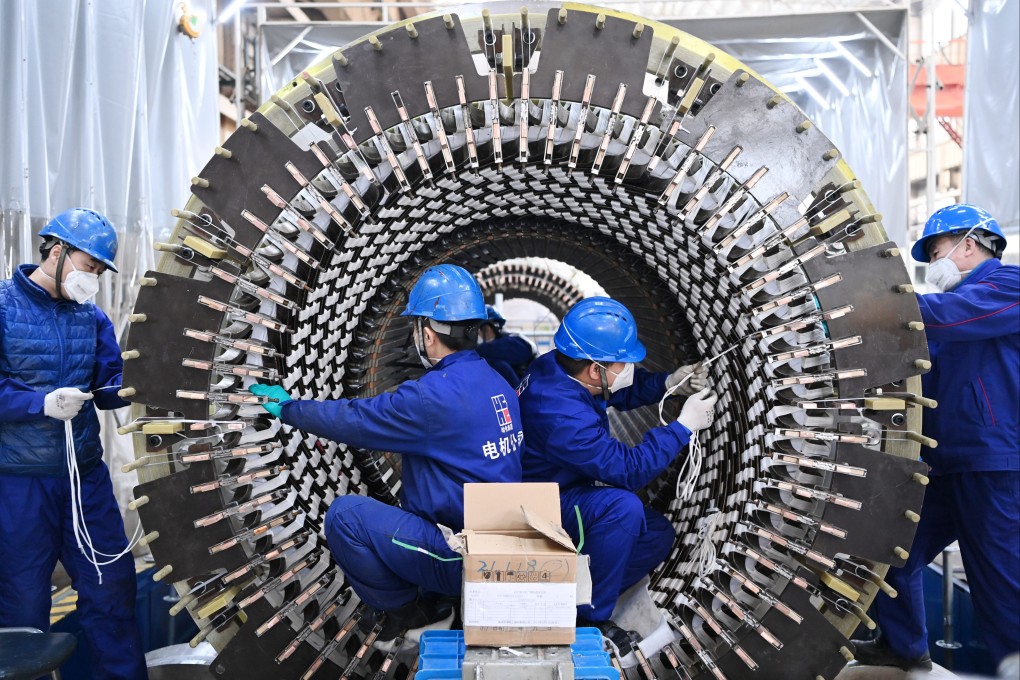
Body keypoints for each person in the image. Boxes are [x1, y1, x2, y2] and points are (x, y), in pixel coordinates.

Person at [250, 264, 524, 640]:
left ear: (427, 334)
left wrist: (290, 409)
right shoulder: (497, 381)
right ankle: (439, 597)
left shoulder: (432, 396)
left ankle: (416, 615)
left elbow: (355, 419)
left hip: (463, 556)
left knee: (346, 517)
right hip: (500, 543)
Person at [853, 204, 1019, 673]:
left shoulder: (1007, 286)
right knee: (892, 547)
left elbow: (952, 316)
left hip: (993, 461)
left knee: (1001, 583)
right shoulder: (940, 313)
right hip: (945, 463)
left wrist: (882, 301)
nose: (933, 265)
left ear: (970, 244)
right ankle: (903, 646)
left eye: (938, 251)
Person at [516, 296, 716, 647]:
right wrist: (683, 426)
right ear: (596, 369)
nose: (629, 368)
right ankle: (586, 616)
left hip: (563, 489)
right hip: (540, 506)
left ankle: (570, 587)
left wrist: (669, 382)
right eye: (624, 362)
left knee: (655, 533)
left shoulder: (561, 366)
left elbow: (615, 394)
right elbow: (628, 470)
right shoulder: (560, 414)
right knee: (623, 507)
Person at [0, 208, 147, 679]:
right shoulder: (3, 308)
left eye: (101, 272)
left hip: (85, 480)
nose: (94, 280)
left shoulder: (93, 319)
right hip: (19, 484)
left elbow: (109, 388)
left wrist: (145, 383)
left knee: (113, 588)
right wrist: (39, 403)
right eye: (90, 267)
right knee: (22, 606)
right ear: (57, 252)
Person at [474, 304, 538, 386]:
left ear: (487, 329)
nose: (477, 335)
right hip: (525, 389)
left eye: (478, 331)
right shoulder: (510, 341)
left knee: (499, 367)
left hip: (528, 392)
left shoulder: (513, 343)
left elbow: (484, 351)